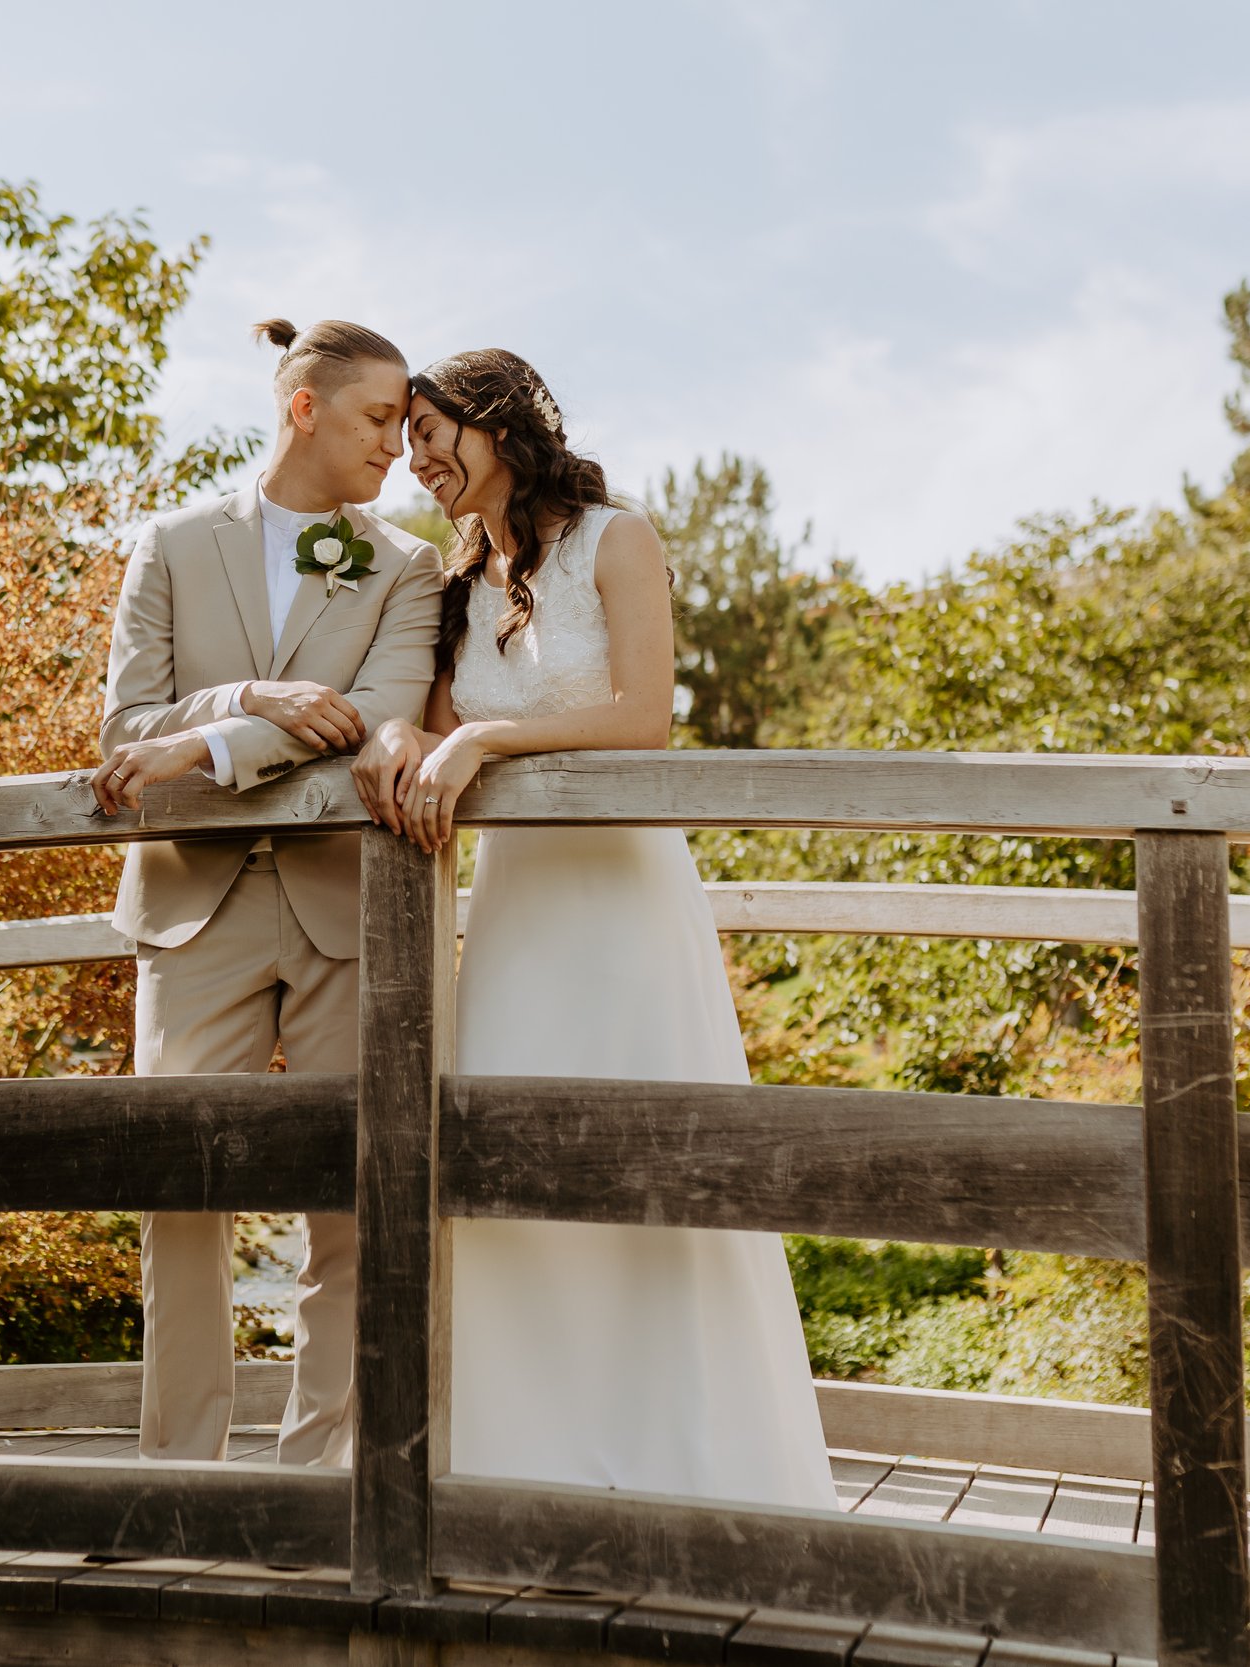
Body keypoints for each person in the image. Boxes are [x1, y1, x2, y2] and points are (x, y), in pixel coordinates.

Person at [351, 350, 834, 1508]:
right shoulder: (460, 578)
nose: (413, 459)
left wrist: (482, 742)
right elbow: (421, 732)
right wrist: (407, 744)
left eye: (430, 433)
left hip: (621, 897)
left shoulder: (619, 538)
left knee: (653, 1158)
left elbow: (641, 718)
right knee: (506, 1167)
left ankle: (688, 1464)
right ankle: (529, 1465)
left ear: (500, 423)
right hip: (514, 910)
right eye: (404, 437)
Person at [90, 319, 444, 1465]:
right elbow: (119, 730)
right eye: (378, 418)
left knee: (347, 1198)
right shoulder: (172, 543)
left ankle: (315, 1483)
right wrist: (258, 693)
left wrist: (212, 744)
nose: (399, 444)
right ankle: (178, 1479)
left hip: (346, 909)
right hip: (189, 906)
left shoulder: (407, 567)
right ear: (305, 407)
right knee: (177, 1195)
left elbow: (371, 725)